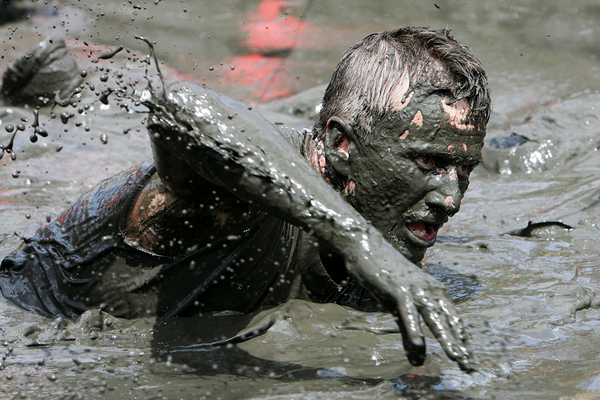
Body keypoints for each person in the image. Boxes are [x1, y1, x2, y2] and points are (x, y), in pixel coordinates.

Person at [0, 27, 491, 372]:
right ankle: (54, 88)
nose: (451, 199)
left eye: (463, 170)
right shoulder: (240, 196)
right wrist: (365, 245)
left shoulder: (386, 220)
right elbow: (182, 107)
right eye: (429, 164)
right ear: (342, 146)